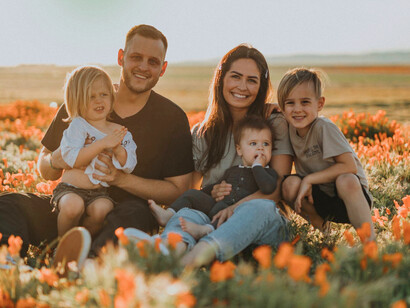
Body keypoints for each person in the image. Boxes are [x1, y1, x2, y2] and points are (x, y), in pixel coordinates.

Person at [0, 25, 194, 263]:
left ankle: (86, 263)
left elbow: (179, 190)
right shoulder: (83, 100)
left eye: (153, 61)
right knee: (9, 203)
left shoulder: (171, 118)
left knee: (135, 214)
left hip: (122, 216)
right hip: (69, 209)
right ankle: (7, 265)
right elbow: (45, 168)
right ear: (121, 57)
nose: (143, 66)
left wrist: (121, 179)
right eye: (136, 57)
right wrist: (56, 159)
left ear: (162, 69)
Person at [125, 44, 293, 267]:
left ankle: (190, 261)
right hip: (214, 218)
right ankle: (168, 250)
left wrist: (235, 207)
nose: (242, 86)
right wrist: (209, 192)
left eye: (252, 80)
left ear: (261, 86)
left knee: (257, 208)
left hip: (262, 222)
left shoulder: (273, 123)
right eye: (235, 77)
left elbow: (276, 191)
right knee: (188, 213)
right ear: (221, 79)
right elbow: (187, 188)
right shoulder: (203, 133)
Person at [278, 68, 375, 240]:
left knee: (346, 180)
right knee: (289, 184)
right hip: (320, 198)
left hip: (350, 198)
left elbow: (349, 166)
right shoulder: (289, 130)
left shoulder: (324, 127)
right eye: (290, 103)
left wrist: (309, 179)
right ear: (282, 107)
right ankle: (325, 235)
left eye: (305, 102)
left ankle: (369, 242)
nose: (297, 109)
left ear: (320, 104)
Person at [149, 115, 278, 238]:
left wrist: (257, 167)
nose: (260, 149)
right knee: (192, 194)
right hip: (217, 205)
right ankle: (169, 214)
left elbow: (267, 188)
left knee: (224, 213)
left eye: (266, 144)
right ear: (239, 150)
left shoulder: (268, 173)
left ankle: (206, 230)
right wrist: (211, 191)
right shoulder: (233, 171)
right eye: (253, 144)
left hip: (237, 213)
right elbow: (215, 186)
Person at [52, 65, 137, 237]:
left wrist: (118, 149)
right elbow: (72, 159)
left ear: (112, 97)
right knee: (72, 206)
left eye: (103, 95)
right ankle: (61, 246)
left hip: (99, 192)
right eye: (91, 97)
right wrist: (102, 144)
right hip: (70, 188)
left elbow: (129, 165)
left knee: (103, 209)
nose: (99, 101)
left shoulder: (119, 131)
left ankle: (84, 244)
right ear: (77, 101)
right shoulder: (78, 125)